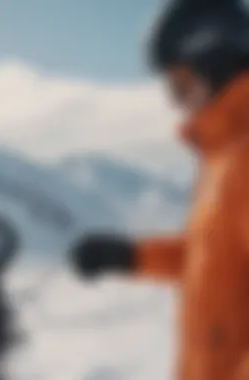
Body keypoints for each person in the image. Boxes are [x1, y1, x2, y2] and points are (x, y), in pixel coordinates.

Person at [68, 1, 249, 379]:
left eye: (181, 84)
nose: (174, 101)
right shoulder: (223, 158)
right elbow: (213, 259)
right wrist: (130, 256)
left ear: (218, 67)